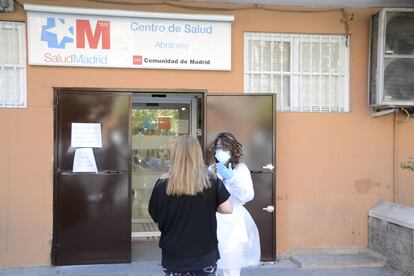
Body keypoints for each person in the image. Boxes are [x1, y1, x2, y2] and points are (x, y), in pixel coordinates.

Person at [148, 135, 233, 276]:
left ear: (175, 155)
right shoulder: (211, 181)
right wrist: (212, 205)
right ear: (197, 155)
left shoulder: (161, 184)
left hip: (174, 256)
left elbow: (155, 215)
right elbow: (228, 209)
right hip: (205, 255)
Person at [207, 132, 261, 276]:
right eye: (218, 147)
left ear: (232, 150)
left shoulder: (240, 169)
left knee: (231, 269)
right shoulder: (212, 169)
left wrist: (232, 179)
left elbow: (248, 195)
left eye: (224, 148)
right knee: (213, 266)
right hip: (215, 221)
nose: (220, 151)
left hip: (234, 222)